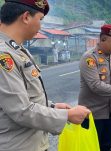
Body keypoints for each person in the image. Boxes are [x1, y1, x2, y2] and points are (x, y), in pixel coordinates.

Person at [0, 1, 91, 151]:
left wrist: (53, 107)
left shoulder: (17, 49)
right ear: (26, 17)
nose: (41, 26)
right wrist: (66, 115)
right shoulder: (4, 55)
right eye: (40, 19)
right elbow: (20, 110)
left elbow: (26, 96)